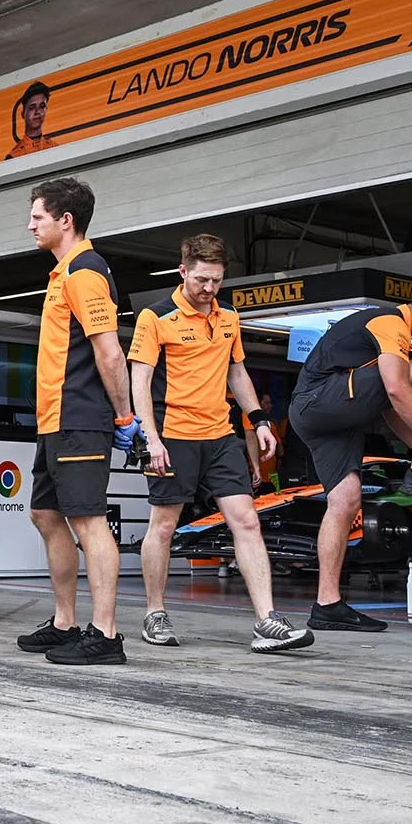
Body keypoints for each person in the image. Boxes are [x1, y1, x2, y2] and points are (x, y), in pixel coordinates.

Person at [129, 235, 313, 654]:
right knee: (164, 525)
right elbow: (139, 380)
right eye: (201, 280)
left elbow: (238, 374)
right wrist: (150, 437)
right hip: (173, 435)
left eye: (216, 281)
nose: (209, 289)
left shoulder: (229, 316)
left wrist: (259, 420)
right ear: (183, 271)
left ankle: (267, 620)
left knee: (247, 521)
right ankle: (154, 613)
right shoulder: (155, 317)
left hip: (220, 434)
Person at [289, 288, 412, 632]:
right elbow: (398, 391)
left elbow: (389, 406)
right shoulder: (389, 321)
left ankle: (327, 605)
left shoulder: (388, 342)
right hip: (321, 399)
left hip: (320, 414)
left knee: (344, 501)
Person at [16, 177, 139, 666]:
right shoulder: (63, 273)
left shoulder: (86, 272)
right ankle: (66, 623)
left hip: (80, 418)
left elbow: (109, 353)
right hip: (54, 420)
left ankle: (106, 635)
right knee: (46, 514)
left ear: (65, 220)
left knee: (88, 520)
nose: (30, 225)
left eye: (38, 217)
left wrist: (125, 416)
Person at [6, 82, 55, 160]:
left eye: (42, 106)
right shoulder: (14, 156)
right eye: (32, 107)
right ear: (23, 114)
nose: (37, 111)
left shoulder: (54, 148)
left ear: (46, 110)